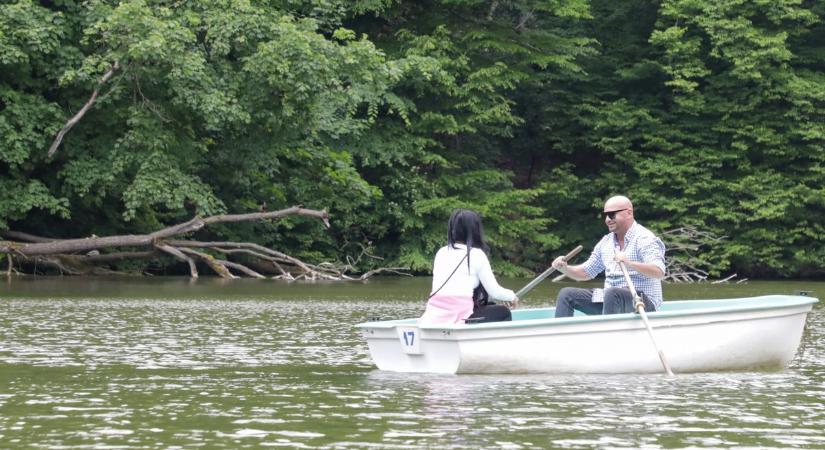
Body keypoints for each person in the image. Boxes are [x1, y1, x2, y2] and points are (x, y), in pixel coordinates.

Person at [551, 195, 666, 317]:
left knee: (612, 293)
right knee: (566, 294)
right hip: (611, 299)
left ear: (628, 213)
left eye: (612, 214)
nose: (607, 219)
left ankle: (608, 333)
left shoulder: (645, 238)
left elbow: (658, 271)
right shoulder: (606, 243)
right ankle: (561, 335)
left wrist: (629, 263)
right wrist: (564, 268)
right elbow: (586, 273)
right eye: (605, 215)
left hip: (642, 303)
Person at [419, 209, 518, 325]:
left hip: (434, 315)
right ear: (475, 231)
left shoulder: (441, 252)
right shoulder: (476, 254)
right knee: (503, 312)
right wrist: (512, 297)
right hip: (460, 315)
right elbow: (494, 291)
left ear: (452, 230)